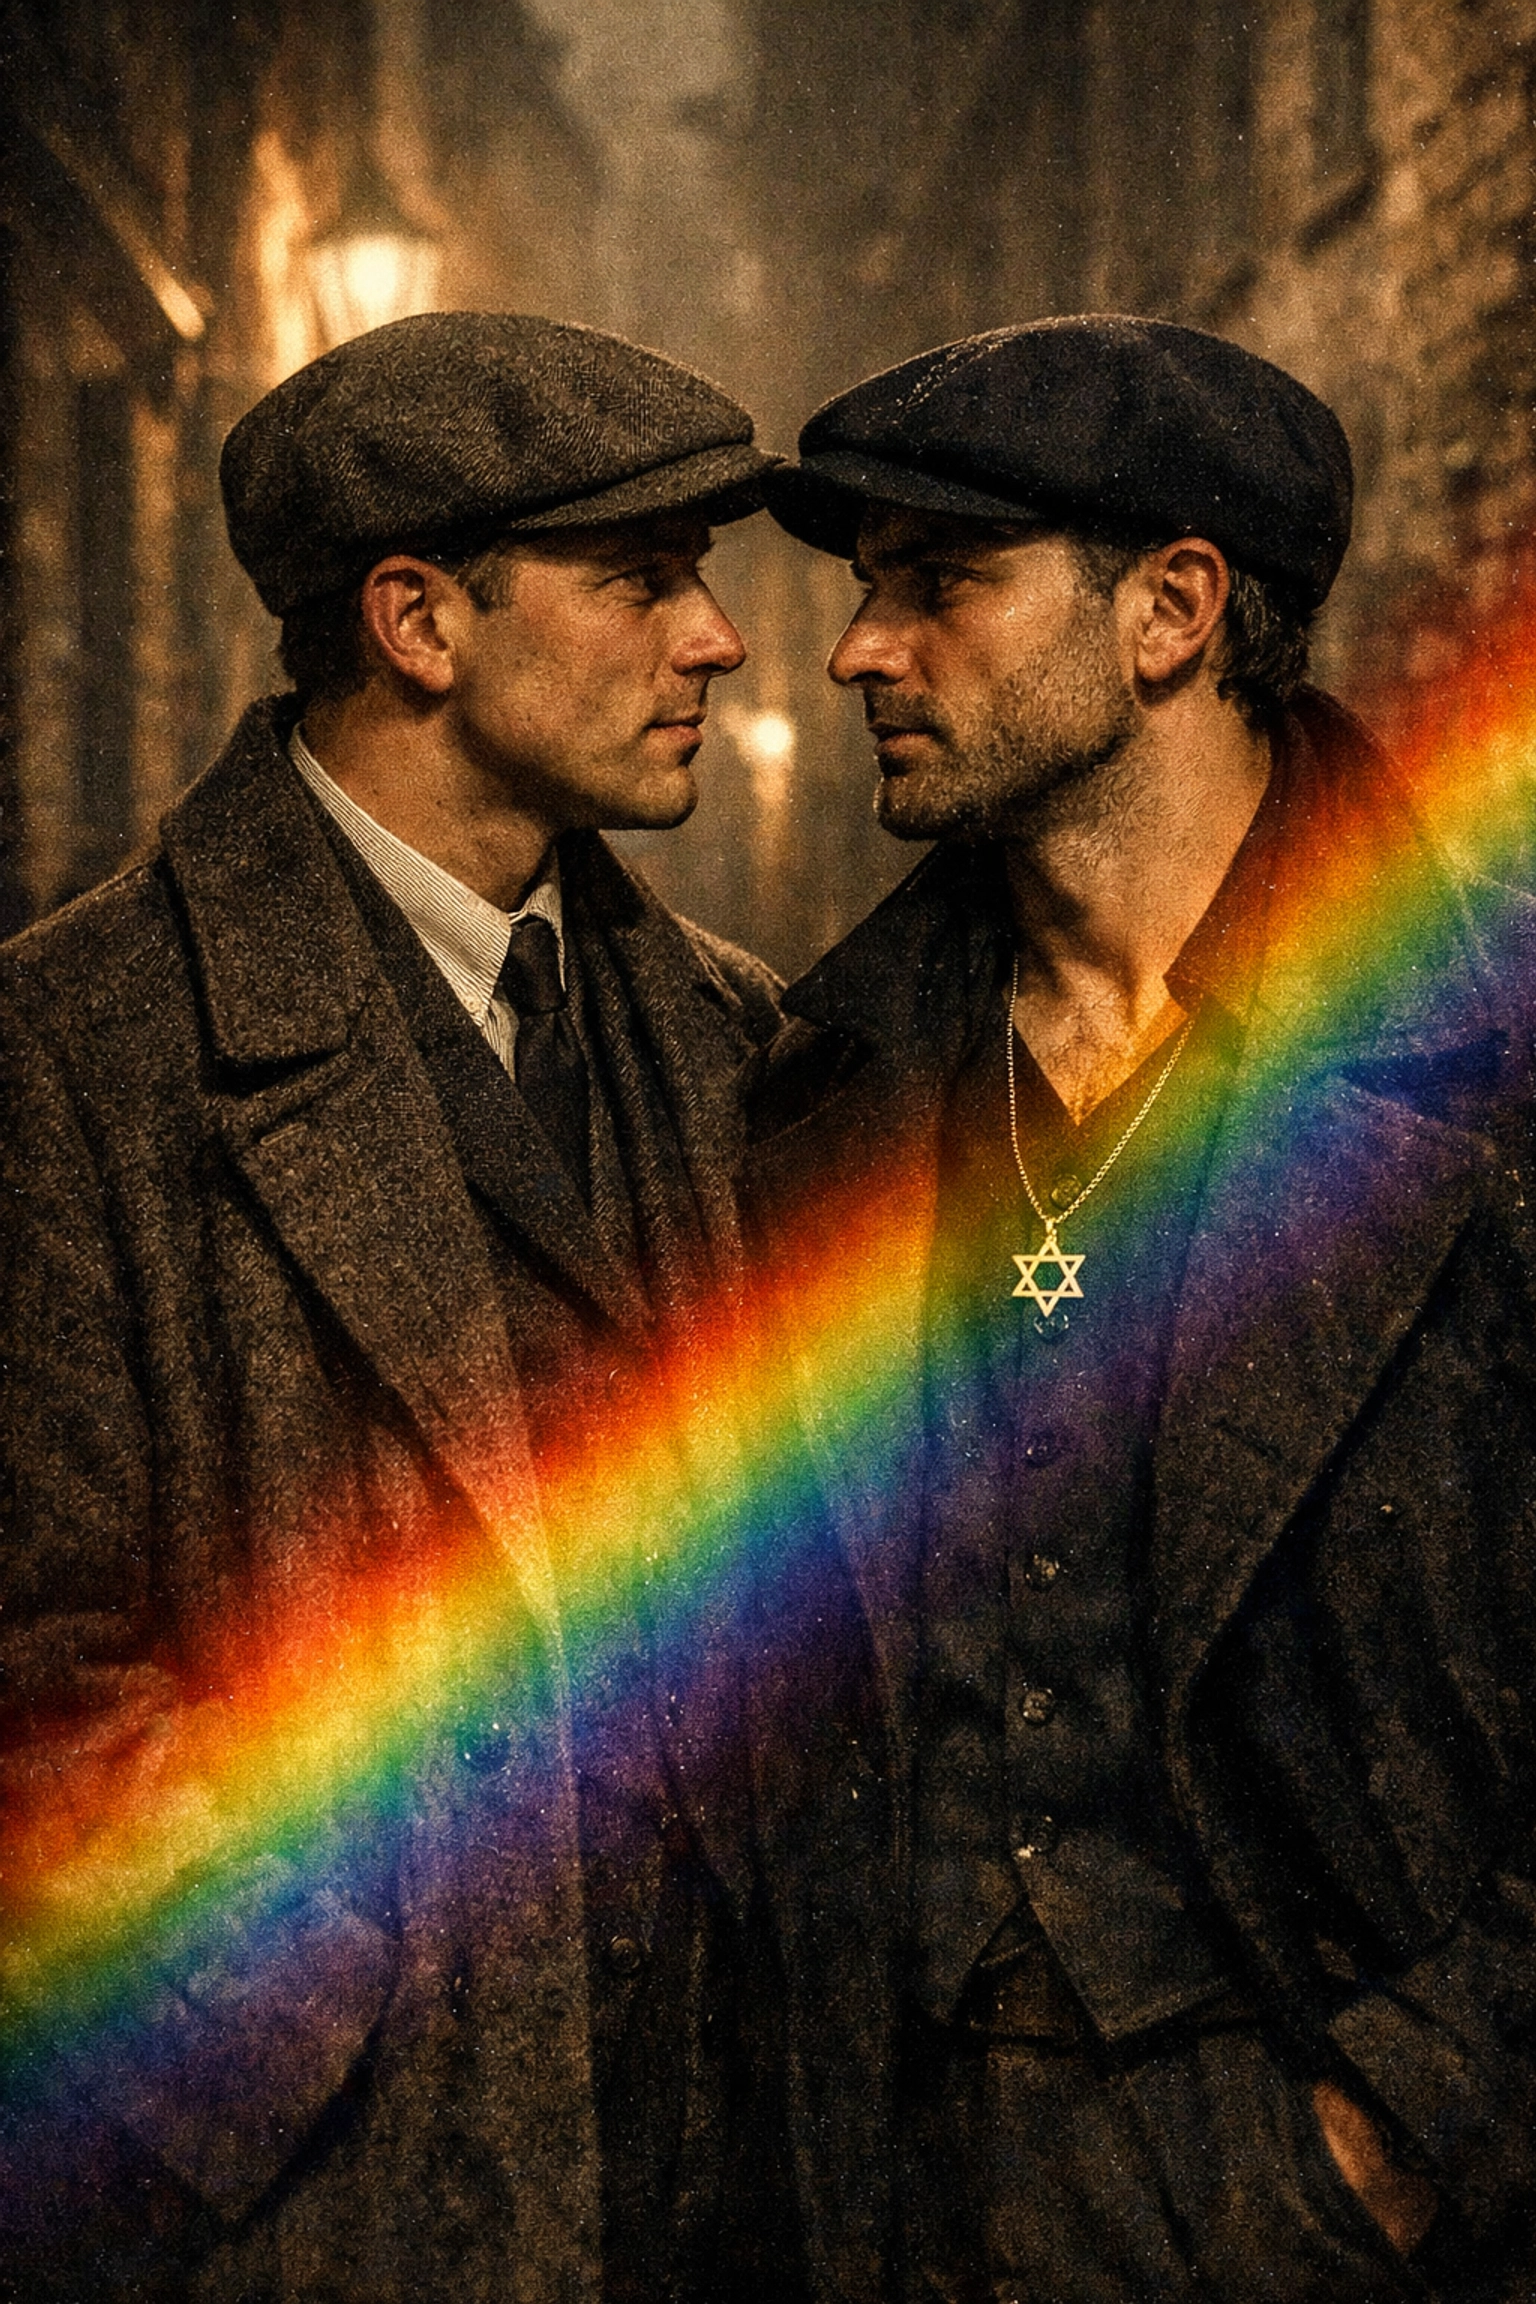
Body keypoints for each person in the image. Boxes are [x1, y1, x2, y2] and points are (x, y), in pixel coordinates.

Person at [0, 311, 791, 2303]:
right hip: (339, 2198)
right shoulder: (75, 1054)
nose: (716, 638)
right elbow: (45, 1693)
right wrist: (292, 2048)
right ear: (421, 623)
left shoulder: (734, 1035)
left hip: (732, 2182)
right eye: (641, 580)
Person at [745, 315, 1536, 2302]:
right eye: (865, 593)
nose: (858, 649)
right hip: (890, 2179)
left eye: (941, 586)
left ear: (1172, 612)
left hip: (1324, 2177)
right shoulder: (829, 1085)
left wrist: (1408, 2128)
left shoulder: (1486, 1057)